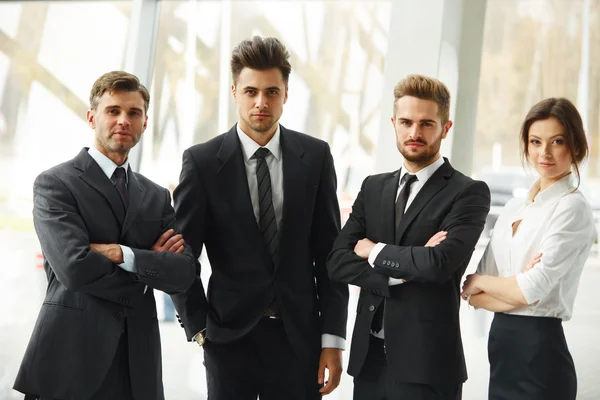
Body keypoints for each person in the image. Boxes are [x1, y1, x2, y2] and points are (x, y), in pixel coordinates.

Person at [171, 36, 349, 399]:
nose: (261, 102)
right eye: (251, 91)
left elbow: (329, 256)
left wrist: (332, 340)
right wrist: (199, 328)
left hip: (300, 340)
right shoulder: (202, 163)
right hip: (227, 340)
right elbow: (181, 255)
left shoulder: (315, 157)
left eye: (271, 92)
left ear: (286, 94)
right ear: (235, 91)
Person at [13, 71, 196, 400]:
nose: (123, 120)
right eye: (113, 111)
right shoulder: (55, 184)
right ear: (92, 117)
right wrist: (148, 267)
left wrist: (122, 254)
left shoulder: (156, 196)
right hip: (69, 360)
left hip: (137, 365)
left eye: (133, 113)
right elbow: (74, 268)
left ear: (145, 122)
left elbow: (184, 273)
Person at [327, 74, 491, 400]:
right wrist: (401, 273)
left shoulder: (467, 193)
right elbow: (337, 261)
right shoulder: (373, 187)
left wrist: (374, 251)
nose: (415, 133)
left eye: (427, 124)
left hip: (427, 368)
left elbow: (439, 264)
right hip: (369, 362)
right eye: (406, 122)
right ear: (393, 124)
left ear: (446, 127)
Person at [461, 97, 595, 400]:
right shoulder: (512, 208)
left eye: (556, 141)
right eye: (535, 142)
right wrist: (510, 287)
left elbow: (522, 289)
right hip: (501, 349)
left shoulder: (571, 207)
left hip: (541, 354)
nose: (543, 153)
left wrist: (483, 282)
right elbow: (474, 298)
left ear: (575, 146)